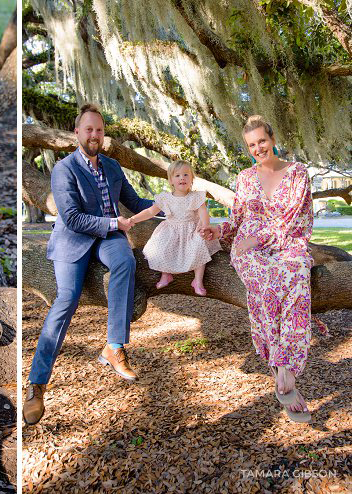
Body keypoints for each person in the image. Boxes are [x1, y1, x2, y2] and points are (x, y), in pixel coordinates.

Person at [23, 104, 153, 426]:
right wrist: (113, 224)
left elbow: (136, 203)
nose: (94, 135)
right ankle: (37, 383)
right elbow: (72, 218)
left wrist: (175, 200)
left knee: (125, 261)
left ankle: (114, 346)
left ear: (103, 135)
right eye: (88, 129)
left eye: (99, 130)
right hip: (74, 239)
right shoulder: (64, 169)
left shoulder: (111, 166)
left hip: (109, 239)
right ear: (77, 134)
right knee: (67, 300)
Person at [199, 115, 314, 423]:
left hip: (287, 243)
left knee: (297, 277)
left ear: (273, 139)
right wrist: (220, 232)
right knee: (265, 287)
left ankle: (285, 367)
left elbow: (291, 220)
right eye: (252, 145)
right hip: (247, 250)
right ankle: (281, 368)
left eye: (262, 141)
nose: (258, 148)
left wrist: (256, 238)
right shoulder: (245, 177)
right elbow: (236, 218)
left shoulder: (297, 173)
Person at [129, 161, 220, 296]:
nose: (182, 178)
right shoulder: (165, 198)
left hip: (192, 230)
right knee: (161, 247)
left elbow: (203, 213)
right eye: (177, 175)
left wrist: (205, 226)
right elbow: (149, 212)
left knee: (199, 246)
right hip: (171, 230)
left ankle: (197, 281)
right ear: (171, 180)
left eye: (185, 175)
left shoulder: (196, 197)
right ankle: (166, 274)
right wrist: (132, 219)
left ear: (192, 179)